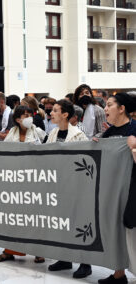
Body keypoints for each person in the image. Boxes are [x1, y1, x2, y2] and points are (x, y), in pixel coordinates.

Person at [0, 106, 46, 263]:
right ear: (17, 119)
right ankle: (10, 250)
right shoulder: (12, 133)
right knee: (15, 217)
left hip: (35, 180)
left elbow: (48, 150)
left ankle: (39, 251)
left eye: (30, 114)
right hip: (16, 181)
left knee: (36, 216)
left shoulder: (37, 131)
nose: (29, 117)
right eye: (25, 115)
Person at [46, 99, 91, 279]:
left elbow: (85, 160)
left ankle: (85, 263)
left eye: (55, 110)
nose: (51, 113)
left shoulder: (79, 135)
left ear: (65, 114)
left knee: (77, 223)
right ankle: (64, 258)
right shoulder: (53, 133)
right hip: (57, 185)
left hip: (75, 187)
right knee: (61, 222)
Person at [97, 93, 136, 284]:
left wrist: (134, 149)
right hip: (114, 189)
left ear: (122, 109)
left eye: (110, 105)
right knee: (116, 228)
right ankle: (119, 274)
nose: (105, 109)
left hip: (133, 188)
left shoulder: (135, 129)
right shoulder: (108, 133)